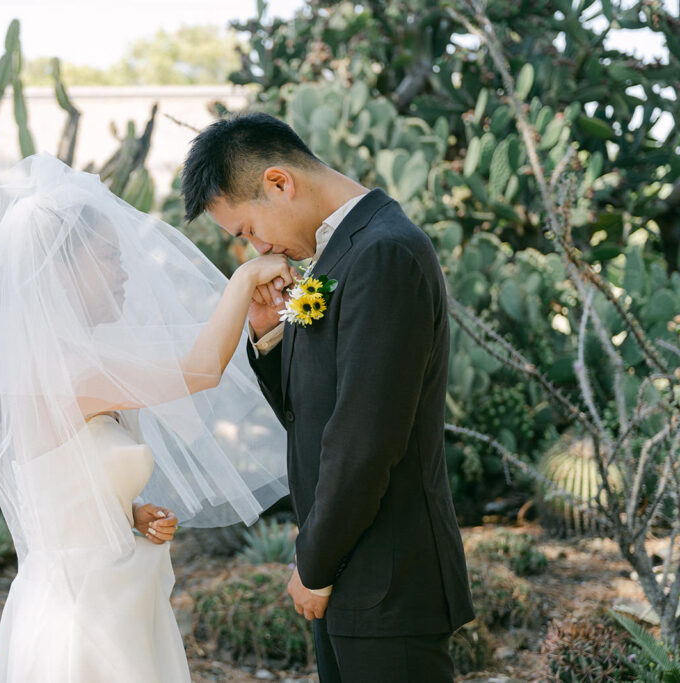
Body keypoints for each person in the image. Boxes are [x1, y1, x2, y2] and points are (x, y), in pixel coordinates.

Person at [181, 112, 474, 682]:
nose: (257, 247)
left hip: (387, 576)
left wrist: (313, 566)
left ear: (278, 183)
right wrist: (269, 334)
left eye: (246, 230)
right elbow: (312, 410)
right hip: (354, 571)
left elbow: (366, 438)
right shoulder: (341, 250)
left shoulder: (383, 251)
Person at [0, 152, 293, 682]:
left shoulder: (79, 362)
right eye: (109, 256)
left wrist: (126, 516)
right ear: (62, 265)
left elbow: (63, 489)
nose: (125, 270)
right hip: (80, 618)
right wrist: (243, 282)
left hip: (117, 596)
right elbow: (199, 370)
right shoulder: (71, 372)